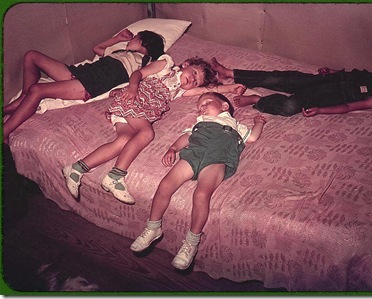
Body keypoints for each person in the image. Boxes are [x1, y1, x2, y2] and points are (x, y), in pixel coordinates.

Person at [63, 56, 246, 204]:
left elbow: (205, 91)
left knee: (123, 141)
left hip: (136, 113)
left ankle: (76, 168)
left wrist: (231, 87)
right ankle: (116, 176)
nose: (192, 80)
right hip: (132, 100)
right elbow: (138, 73)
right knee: (147, 133)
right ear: (187, 64)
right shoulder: (166, 65)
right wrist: (133, 88)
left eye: (195, 81)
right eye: (194, 73)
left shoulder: (178, 91)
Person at [130, 92, 267, 270]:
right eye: (199, 106)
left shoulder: (235, 125)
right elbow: (186, 138)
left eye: (207, 102)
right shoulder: (198, 123)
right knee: (165, 184)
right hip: (194, 154)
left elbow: (253, 137)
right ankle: (153, 227)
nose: (202, 107)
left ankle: (191, 242)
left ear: (224, 106)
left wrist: (259, 123)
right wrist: (172, 148)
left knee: (201, 194)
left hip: (218, 157)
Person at [3, 29, 165, 144]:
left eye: (135, 37)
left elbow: (147, 75)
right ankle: (24, 99)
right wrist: (117, 39)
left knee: (37, 90)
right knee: (31, 56)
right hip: (82, 72)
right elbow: (97, 49)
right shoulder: (120, 52)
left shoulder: (145, 61)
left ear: (143, 43)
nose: (131, 39)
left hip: (93, 82)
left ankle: (4, 130)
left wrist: (132, 87)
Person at [211, 58, 372, 117]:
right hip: (314, 82)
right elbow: (348, 75)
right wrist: (331, 71)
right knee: (276, 78)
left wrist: (321, 110)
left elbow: (348, 107)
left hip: (319, 99)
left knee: (289, 107)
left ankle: (258, 101)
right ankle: (230, 73)